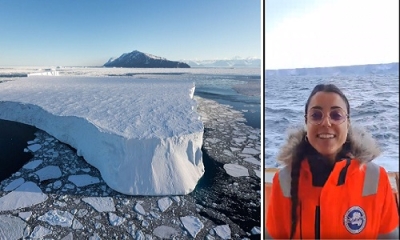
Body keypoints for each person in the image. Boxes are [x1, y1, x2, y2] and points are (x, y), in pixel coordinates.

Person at [265, 83, 399, 239]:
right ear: (306, 123)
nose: (326, 123)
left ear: (347, 124)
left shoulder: (376, 178)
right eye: (316, 115)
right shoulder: (283, 181)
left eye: (336, 115)